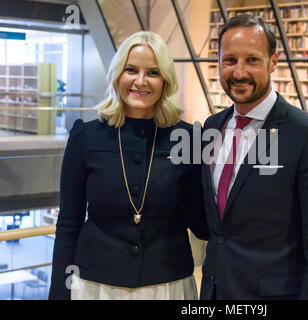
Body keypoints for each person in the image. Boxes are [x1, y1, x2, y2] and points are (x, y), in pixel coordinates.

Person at [49, 31, 208, 300]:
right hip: (95, 286)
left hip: (168, 285)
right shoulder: (85, 137)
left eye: (153, 73)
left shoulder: (189, 138)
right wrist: (58, 295)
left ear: (165, 81)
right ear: (117, 74)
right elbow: (68, 224)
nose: (140, 81)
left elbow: (200, 220)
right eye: (131, 70)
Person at [200, 14, 308, 300]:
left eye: (252, 60)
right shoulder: (211, 127)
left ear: (273, 61)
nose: (239, 72)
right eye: (229, 60)